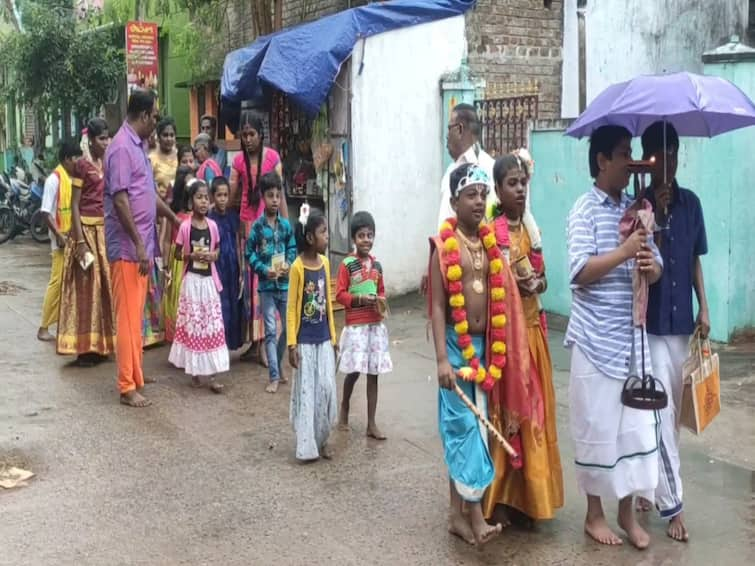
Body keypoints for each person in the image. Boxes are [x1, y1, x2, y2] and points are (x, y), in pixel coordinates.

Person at [565, 125, 663, 548]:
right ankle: (594, 514)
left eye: (631, 152)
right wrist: (623, 253)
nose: (630, 160)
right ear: (602, 160)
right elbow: (578, 273)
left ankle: (627, 514)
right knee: (597, 427)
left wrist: (647, 262)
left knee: (635, 430)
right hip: (594, 338)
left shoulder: (638, 211)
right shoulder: (583, 210)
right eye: (623, 153)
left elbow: (657, 267)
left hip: (632, 340)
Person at [633, 121, 709, 543]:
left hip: (683, 323)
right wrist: (655, 218)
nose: (669, 161)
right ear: (649, 158)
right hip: (654, 324)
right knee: (659, 415)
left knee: (672, 418)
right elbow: (643, 261)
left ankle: (647, 485)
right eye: (660, 154)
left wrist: (706, 307)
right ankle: (673, 505)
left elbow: (695, 258)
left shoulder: (692, 204)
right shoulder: (639, 206)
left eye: (674, 152)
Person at [484, 154, 564, 525]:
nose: (519, 189)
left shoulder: (531, 231)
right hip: (506, 340)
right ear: (498, 190)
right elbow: (484, 283)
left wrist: (536, 284)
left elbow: (544, 278)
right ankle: (500, 499)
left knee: (534, 417)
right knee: (508, 416)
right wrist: (511, 285)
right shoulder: (492, 232)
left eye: (522, 183)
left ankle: (531, 500)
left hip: (532, 334)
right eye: (511, 183)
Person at [428, 163, 504, 546]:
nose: (479, 201)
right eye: (471, 194)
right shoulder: (444, 245)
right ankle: (476, 518)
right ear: (455, 200)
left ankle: (455, 515)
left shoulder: (489, 244)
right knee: (466, 432)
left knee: (468, 431)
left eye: (483, 194)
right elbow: (439, 308)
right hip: (455, 351)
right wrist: (442, 358)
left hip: (484, 351)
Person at [105, 88, 179, 408]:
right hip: (127, 248)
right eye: (155, 116)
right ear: (146, 115)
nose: (156, 123)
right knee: (127, 319)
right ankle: (126, 386)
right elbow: (120, 199)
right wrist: (137, 243)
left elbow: (147, 194)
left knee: (137, 316)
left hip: (142, 247)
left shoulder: (138, 147)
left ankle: (135, 373)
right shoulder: (122, 148)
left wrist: (174, 218)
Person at [229, 110, 287, 366]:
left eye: (252, 134)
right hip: (247, 231)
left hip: (270, 232)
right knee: (250, 287)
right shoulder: (238, 162)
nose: (248, 139)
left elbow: (280, 196)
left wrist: (286, 227)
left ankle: (267, 343)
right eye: (244, 135)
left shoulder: (273, 158)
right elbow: (231, 197)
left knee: (266, 286)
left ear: (261, 134)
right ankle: (255, 342)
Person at [56, 119, 115, 365]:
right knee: (86, 290)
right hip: (86, 233)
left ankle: (102, 345)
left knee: (104, 290)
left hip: (104, 230)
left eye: (107, 137)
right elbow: (75, 205)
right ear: (91, 140)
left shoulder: (107, 162)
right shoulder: (82, 165)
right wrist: (79, 242)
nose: (106, 142)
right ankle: (84, 348)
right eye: (102, 138)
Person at [335, 211, 392, 439]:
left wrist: (381, 302)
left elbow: (381, 291)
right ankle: (345, 407)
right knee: (355, 371)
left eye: (370, 235)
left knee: (374, 372)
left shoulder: (377, 265)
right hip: (356, 325)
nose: (366, 240)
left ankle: (371, 423)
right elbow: (339, 294)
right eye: (361, 236)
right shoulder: (347, 264)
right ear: (353, 239)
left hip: (375, 326)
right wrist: (358, 299)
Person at [287, 207, 338, 461]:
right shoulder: (297, 267)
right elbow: (292, 309)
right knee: (308, 394)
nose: (327, 236)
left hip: (325, 339)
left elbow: (328, 302)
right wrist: (291, 344)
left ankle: (323, 438)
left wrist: (334, 337)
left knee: (327, 389)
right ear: (309, 237)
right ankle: (308, 446)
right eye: (323, 232)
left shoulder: (326, 264)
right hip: (305, 342)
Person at [168, 180, 229, 392]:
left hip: (208, 282)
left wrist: (213, 255)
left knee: (211, 324)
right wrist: (189, 255)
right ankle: (194, 371)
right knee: (195, 325)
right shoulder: (185, 226)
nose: (203, 202)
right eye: (199, 198)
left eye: (205, 198)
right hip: (192, 283)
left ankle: (213, 375)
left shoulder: (213, 226)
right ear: (191, 201)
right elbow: (176, 254)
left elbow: (218, 249)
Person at [246, 172, 297, 393]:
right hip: (266, 287)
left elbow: (293, 248)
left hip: (284, 285)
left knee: (288, 328)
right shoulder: (257, 227)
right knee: (269, 330)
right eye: (270, 196)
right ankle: (274, 376)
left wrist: (288, 263)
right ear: (262, 197)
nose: (275, 200)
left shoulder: (286, 226)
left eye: (278, 196)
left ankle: (276, 360)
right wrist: (264, 270)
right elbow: (249, 253)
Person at [37, 140, 83, 342]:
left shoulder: (74, 178)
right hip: (61, 241)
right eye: (76, 159)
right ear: (66, 159)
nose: (78, 163)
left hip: (75, 238)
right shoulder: (54, 180)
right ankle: (43, 327)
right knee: (56, 283)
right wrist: (59, 235)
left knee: (74, 282)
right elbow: (46, 212)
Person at [437, 103, 496, 229]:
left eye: (449, 128)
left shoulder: (488, 168)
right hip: (446, 245)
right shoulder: (451, 169)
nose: (447, 136)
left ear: (459, 129)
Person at [208, 176, 245, 352]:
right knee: (221, 306)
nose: (222, 199)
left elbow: (238, 243)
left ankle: (230, 344)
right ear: (212, 196)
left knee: (233, 303)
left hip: (232, 266)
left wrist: (241, 269)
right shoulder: (209, 218)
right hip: (218, 267)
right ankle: (218, 344)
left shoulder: (233, 217)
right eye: (219, 195)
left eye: (225, 195)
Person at [163, 165, 195, 342]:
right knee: (178, 299)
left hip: (196, 261)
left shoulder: (201, 213)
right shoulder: (173, 212)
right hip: (178, 260)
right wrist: (166, 267)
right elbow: (167, 239)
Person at [149, 117, 178, 201]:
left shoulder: (179, 155)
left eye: (172, 135)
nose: (169, 139)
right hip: (160, 205)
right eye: (165, 135)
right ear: (158, 137)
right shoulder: (151, 159)